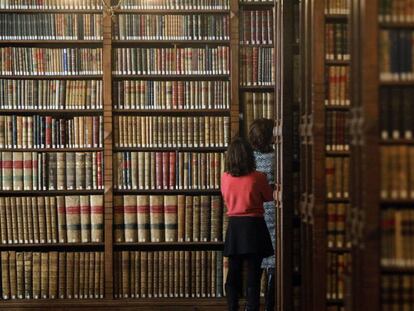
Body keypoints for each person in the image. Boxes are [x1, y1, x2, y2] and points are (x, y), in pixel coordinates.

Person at [222, 137, 274, 311]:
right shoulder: (258, 177)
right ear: (249, 156)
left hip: (235, 228)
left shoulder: (224, 178)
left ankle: (232, 307)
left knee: (233, 275)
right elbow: (269, 197)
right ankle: (252, 308)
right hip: (254, 227)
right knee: (253, 277)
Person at [249, 118, 276, 311]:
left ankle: (252, 305)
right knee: (273, 259)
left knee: (255, 260)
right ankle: (271, 305)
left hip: (254, 210)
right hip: (273, 208)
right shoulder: (278, 157)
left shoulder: (248, 159)